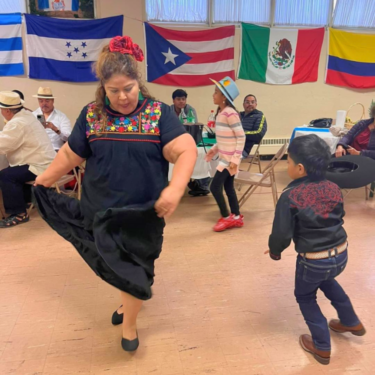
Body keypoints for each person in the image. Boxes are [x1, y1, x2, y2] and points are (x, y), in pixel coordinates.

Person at [33, 36, 197, 352]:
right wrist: (44, 179)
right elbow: (70, 155)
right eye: (114, 90)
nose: (122, 97)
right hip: (100, 209)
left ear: (139, 82)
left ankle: (130, 325)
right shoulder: (92, 114)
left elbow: (185, 149)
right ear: (103, 88)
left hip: (142, 214)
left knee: (135, 268)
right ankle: (128, 302)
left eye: (129, 88)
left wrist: (176, 189)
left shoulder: (159, 114)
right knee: (114, 264)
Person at [266, 134, 365, 365]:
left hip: (313, 260)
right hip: (341, 254)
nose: (287, 165)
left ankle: (321, 346)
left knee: (305, 296)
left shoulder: (289, 196)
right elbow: (339, 216)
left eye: (288, 162)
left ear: (300, 168)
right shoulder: (334, 187)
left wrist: (275, 251)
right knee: (327, 280)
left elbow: (281, 233)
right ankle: (350, 320)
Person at [0, 91, 55, 227]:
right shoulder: (26, 115)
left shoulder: (18, 123)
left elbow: (3, 145)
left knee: (6, 176)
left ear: (7, 111)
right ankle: (25, 200)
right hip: (44, 161)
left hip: (40, 164)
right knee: (13, 170)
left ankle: (19, 214)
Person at [205, 77, 245, 232]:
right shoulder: (221, 113)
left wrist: (235, 159)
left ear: (224, 97)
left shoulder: (230, 113)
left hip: (229, 160)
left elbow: (241, 136)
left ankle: (226, 216)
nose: (213, 95)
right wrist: (214, 149)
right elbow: (224, 137)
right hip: (225, 158)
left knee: (214, 187)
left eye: (216, 92)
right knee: (228, 187)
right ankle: (236, 216)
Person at [33, 87, 72, 151]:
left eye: (47, 101)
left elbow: (69, 138)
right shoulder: (33, 115)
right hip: (36, 151)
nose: (44, 104)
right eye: (41, 101)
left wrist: (56, 129)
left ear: (53, 101)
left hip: (55, 151)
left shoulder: (61, 116)